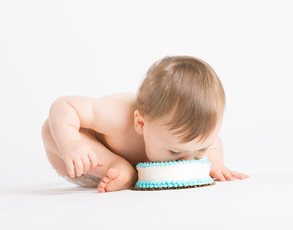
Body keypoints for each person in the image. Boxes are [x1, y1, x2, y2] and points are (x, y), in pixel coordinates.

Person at [41, 55, 249, 193]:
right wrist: (71, 144)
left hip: (121, 175)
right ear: (140, 123)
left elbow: (215, 143)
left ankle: (126, 174)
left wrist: (216, 164)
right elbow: (65, 104)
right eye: (175, 152)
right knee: (50, 127)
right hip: (88, 165)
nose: (188, 159)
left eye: (200, 148)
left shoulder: (194, 139)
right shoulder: (117, 115)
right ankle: (119, 167)